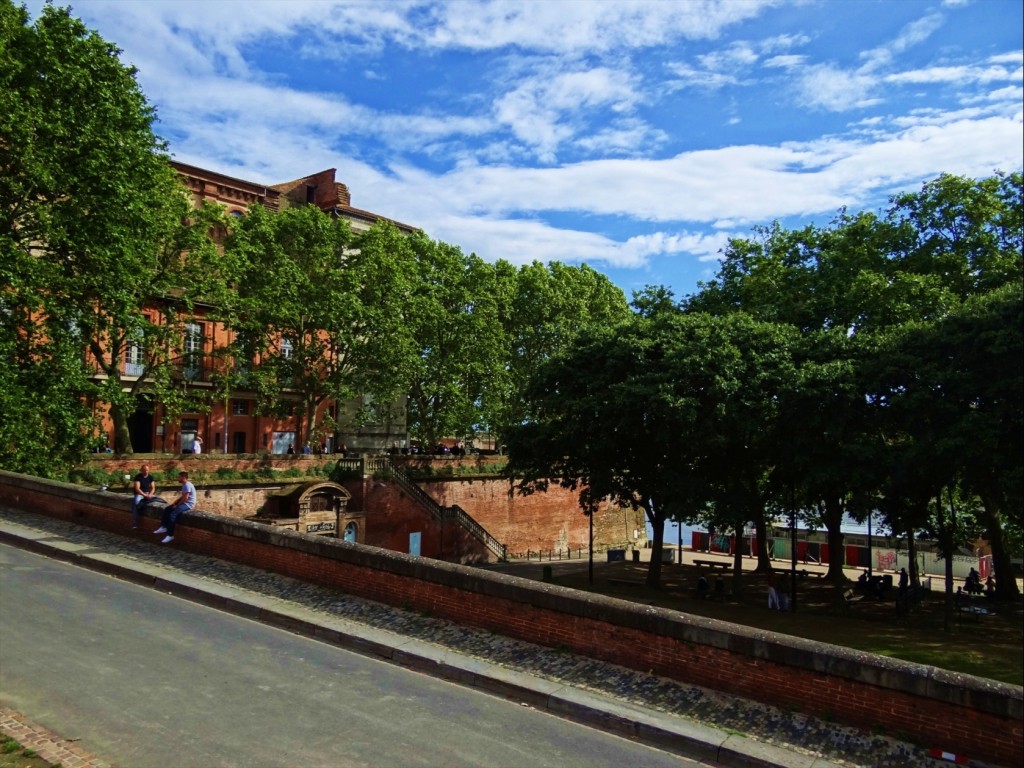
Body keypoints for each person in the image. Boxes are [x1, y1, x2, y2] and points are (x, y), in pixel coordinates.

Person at [154, 470, 196, 544]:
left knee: (173, 514)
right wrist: (175, 502)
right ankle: (164, 527)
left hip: (188, 504)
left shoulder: (187, 485)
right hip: (185, 502)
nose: (178, 478)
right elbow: (183, 496)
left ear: (183, 477)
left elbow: (186, 498)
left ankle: (170, 535)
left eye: (179, 477)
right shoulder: (184, 485)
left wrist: (177, 505)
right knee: (167, 509)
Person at [131, 463, 157, 529]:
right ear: (141, 470)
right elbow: (137, 488)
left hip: (148, 493)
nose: (146, 472)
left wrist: (150, 494)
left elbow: (153, 487)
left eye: (147, 470)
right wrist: (144, 495)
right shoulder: (138, 477)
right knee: (137, 504)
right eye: (144, 470)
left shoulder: (150, 477)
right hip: (140, 494)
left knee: (159, 500)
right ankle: (135, 522)